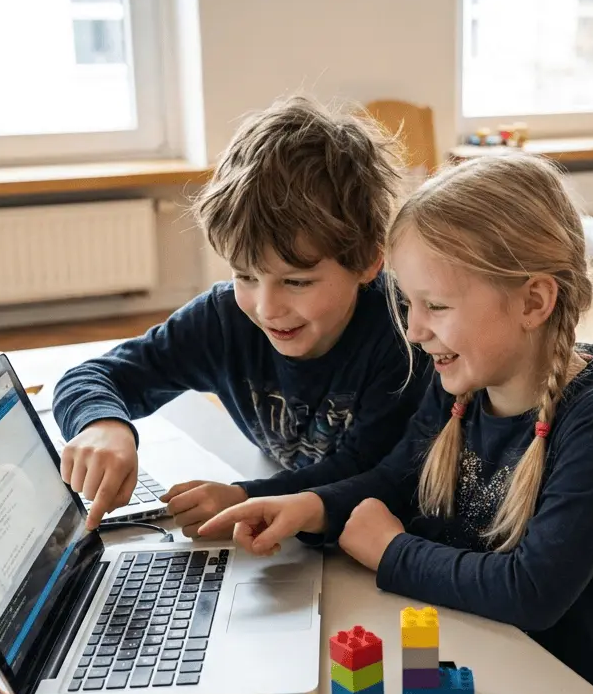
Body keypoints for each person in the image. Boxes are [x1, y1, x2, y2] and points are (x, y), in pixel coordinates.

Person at [196, 153, 593, 694]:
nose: (414, 331)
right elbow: (398, 478)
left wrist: (391, 552)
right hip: (472, 676)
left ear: (534, 301)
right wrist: (309, 507)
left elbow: (531, 592)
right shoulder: (461, 383)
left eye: (435, 306)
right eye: (409, 304)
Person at [52, 95, 430, 531]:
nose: (267, 309)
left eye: (296, 282)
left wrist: (246, 496)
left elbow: (368, 472)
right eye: (245, 276)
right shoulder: (223, 319)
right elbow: (92, 377)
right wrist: (103, 425)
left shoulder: (405, 334)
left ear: (367, 261)